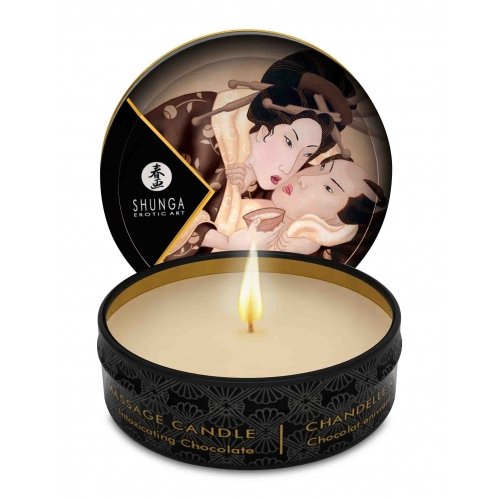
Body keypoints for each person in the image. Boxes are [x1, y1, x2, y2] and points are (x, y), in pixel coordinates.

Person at [144, 50, 358, 261]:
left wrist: (309, 240)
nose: (288, 168)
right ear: (263, 130)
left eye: (307, 153)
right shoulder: (195, 120)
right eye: (288, 141)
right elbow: (149, 209)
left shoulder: (299, 175)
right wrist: (226, 243)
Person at [201, 155, 386, 261]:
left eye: (328, 188)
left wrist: (227, 243)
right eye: (322, 167)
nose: (304, 179)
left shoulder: (298, 245)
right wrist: (244, 179)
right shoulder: (257, 188)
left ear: (336, 219)